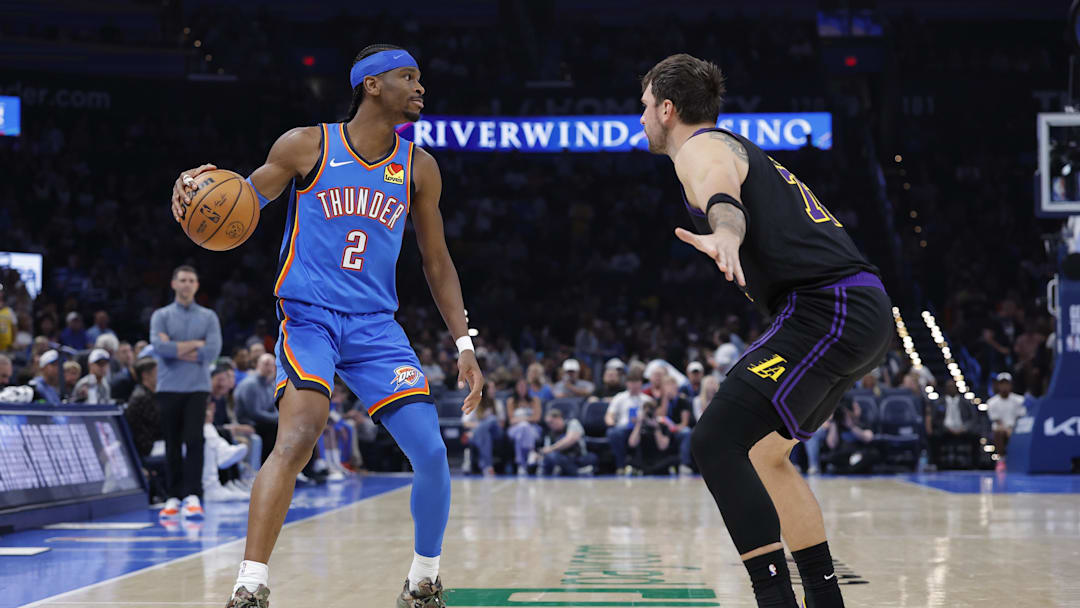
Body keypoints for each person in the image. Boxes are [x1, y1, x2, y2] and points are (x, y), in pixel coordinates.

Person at [170, 44, 483, 608]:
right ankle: (250, 585)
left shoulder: (420, 167)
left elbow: (437, 262)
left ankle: (423, 580)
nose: (420, 88)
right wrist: (205, 190)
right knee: (298, 436)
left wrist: (464, 342)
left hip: (374, 329)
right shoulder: (306, 145)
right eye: (407, 77)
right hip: (309, 317)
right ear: (371, 85)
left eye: (420, 79)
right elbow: (247, 196)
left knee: (432, 453)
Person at [640, 53, 893, 607]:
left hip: (829, 307)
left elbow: (721, 194)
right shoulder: (733, 145)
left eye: (644, 107)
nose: (641, 119)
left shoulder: (701, 147)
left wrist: (725, 231)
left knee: (714, 440)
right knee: (763, 455)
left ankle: (774, 600)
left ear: (667, 108)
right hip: (851, 307)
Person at [150, 265, 223, 521]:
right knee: (171, 443)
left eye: (191, 280)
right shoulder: (161, 315)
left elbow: (211, 352)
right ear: (173, 284)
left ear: (197, 285)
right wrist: (195, 345)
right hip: (168, 386)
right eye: (182, 280)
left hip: (197, 388)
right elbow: (160, 348)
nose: (187, 284)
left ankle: (192, 495)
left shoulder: (208, 317)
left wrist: (176, 347)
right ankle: (173, 496)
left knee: (194, 441)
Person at [604, 366, 654, 474]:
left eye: (636, 382)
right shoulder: (619, 397)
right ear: (627, 383)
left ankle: (642, 467)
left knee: (648, 433)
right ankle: (620, 465)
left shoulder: (647, 399)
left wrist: (642, 419)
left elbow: (654, 418)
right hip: (623, 427)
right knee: (613, 433)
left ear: (641, 383)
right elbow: (609, 415)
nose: (634, 385)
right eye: (631, 382)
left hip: (642, 427)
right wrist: (612, 423)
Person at [986, 372, 1026, 471]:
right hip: (1001, 429)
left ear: (1011, 385)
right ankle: (1001, 460)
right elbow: (997, 420)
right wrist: (1007, 430)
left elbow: (1021, 418)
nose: (1004, 386)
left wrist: (1012, 430)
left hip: (1017, 428)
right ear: (998, 386)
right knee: (998, 431)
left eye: (1007, 384)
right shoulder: (991, 402)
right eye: (1002, 384)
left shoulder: (1020, 400)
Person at [539, 408, 596, 476]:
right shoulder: (550, 433)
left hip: (578, 457)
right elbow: (546, 450)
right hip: (562, 459)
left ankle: (574, 471)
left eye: (551, 422)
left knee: (593, 457)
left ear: (559, 418)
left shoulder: (573, 423)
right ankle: (576, 472)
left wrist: (552, 448)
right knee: (550, 456)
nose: (550, 425)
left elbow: (570, 439)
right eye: (548, 423)